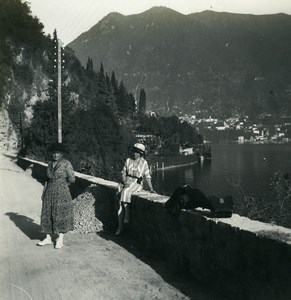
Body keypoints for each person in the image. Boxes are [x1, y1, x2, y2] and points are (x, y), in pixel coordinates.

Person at [37, 142, 75, 249]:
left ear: (62, 153)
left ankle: (60, 239)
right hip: (49, 191)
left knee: (60, 214)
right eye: (54, 153)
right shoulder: (49, 164)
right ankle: (48, 238)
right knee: (47, 213)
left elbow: (72, 179)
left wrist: (63, 185)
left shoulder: (66, 163)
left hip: (62, 192)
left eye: (58, 153)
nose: (55, 155)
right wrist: (44, 192)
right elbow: (46, 179)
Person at [115, 143, 155, 235]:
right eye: (133, 151)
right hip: (126, 182)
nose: (134, 153)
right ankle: (120, 227)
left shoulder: (144, 163)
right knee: (120, 203)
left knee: (125, 191)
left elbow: (147, 176)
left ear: (141, 153)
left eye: (136, 152)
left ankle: (127, 214)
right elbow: (123, 173)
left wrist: (151, 188)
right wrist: (124, 182)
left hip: (137, 183)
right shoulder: (128, 160)